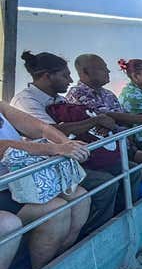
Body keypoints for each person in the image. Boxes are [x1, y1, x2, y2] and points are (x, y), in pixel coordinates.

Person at [11, 51, 118, 236]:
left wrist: (96, 125)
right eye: (65, 75)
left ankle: (113, 219)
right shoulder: (26, 101)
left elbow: (74, 127)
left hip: (67, 157)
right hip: (44, 164)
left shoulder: (59, 99)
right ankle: (91, 235)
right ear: (47, 76)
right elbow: (51, 132)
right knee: (105, 183)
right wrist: (94, 121)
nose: (70, 80)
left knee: (124, 167)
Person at [0, 102, 91, 269]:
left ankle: (55, 264)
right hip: (5, 190)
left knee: (80, 198)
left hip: (20, 181)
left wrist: (69, 145)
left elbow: (41, 128)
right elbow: (2, 147)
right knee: (56, 210)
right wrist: (55, 148)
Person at [66, 54, 142, 198]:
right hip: (100, 149)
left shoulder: (108, 94)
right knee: (138, 165)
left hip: (123, 141)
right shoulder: (77, 94)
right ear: (85, 72)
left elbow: (119, 119)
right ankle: (126, 206)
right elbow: (107, 117)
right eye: (103, 69)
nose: (108, 72)